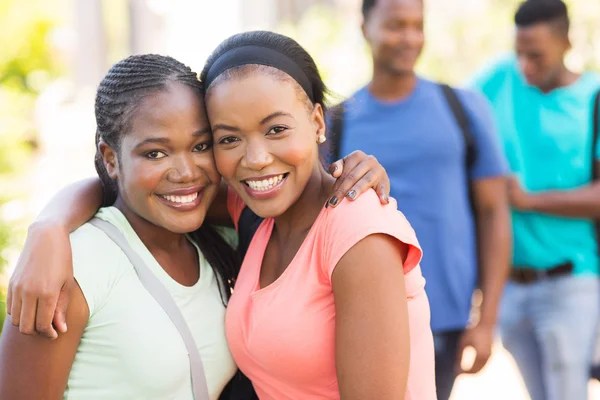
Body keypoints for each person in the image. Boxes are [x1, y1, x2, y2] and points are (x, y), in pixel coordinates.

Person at [0, 53, 391, 399]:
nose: (186, 173)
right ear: (111, 158)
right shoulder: (68, 268)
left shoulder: (215, 236)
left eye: (202, 146)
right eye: (155, 152)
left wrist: (353, 170)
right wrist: (47, 228)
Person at [200, 30, 435, 399]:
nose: (257, 159)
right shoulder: (252, 209)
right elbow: (140, 190)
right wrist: (71, 215)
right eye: (229, 139)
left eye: (276, 129)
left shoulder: (357, 229)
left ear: (318, 123)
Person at [328, 1, 511, 398]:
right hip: (364, 320)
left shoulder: (462, 108)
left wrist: (486, 321)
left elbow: (494, 212)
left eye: (417, 26)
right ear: (365, 28)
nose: (409, 38)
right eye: (396, 26)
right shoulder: (336, 121)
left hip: (445, 318)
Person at [470, 1, 600, 399]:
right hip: (512, 285)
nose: (526, 65)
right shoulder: (499, 78)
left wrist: (528, 200)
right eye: (520, 53)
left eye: (537, 55)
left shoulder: (593, 97)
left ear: (565, 42)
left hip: (569, 280)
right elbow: (453, 115)